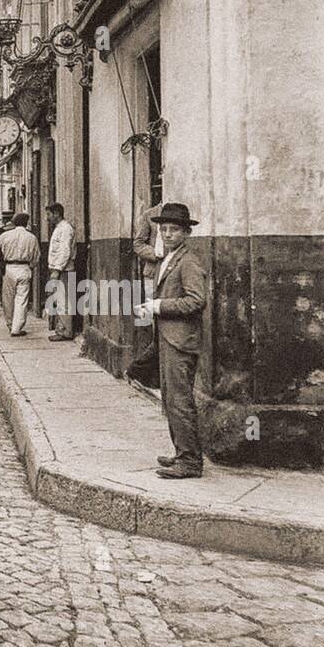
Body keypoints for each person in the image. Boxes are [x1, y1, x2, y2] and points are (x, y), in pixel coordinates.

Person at [133, 202, 207, 479]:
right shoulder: (170, 257)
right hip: (168, 337)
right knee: (171, 400)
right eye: (163, 229)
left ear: (186, 232)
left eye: (174, 230)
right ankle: (181, 453)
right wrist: (152, 307)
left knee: (179, 401)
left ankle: (190, 462)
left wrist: (158, 306)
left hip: (180, 341)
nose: (167, 234)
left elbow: (196, 301)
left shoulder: (188, 261)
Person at [127, 202, 164, 391]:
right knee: (156, 326)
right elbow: (138, 244)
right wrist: (156, 254)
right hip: (152, 274)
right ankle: (147, 374)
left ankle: (144, 372)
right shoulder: (150, 214)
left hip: (172, 274)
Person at [0, 211, 41, 336]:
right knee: (22, 299)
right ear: (26, 223)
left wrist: (1, 260)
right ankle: (17, 328)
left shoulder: (6, 235)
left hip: (9, 268)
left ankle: (10, 324)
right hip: (24, 268)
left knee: (8, 299)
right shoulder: (32, 237)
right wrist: (30, 267)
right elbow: (37, 257)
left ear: (14, 222)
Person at [45, 202, 76, 342]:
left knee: (64, 301)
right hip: (59, 269)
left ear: (57, 213)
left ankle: (65, 331)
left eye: (49, 214)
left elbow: (65, 251)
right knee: (59, 300)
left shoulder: (65, 229)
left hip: (63, 270)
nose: (47, 217)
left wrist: (57, 269)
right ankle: (62, 328)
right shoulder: (59, 228)